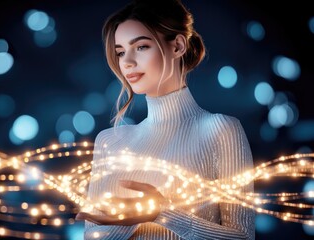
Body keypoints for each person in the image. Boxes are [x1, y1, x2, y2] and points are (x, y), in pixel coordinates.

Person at [75, 0, 255, 239]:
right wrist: (127, 222)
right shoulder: (110, 141)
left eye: (140, 47)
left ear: (178, 45)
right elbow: (92, 236)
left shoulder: (221, 130)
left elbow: (242, 236)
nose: (126, 62)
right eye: (120, 52)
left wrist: (163, 213)